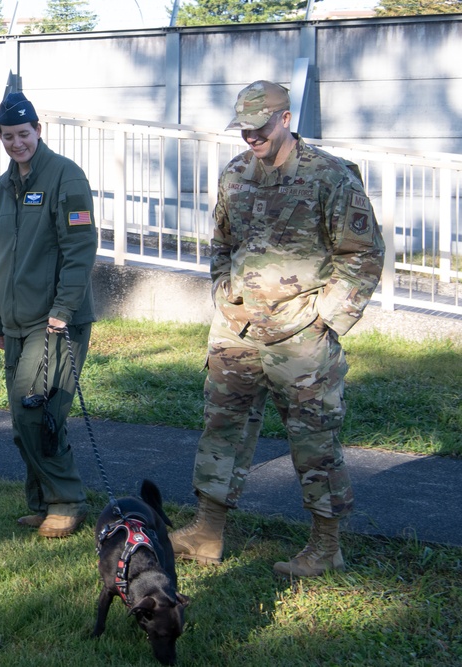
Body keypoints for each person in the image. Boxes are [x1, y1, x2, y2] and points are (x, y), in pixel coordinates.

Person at [169, 80, 385, 576]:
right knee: (221, 428)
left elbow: (363, 254)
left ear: (286, 118)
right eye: (243, 128)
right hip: (237, 330)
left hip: (301, 337)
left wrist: (325, 318)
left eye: (260, 127)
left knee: (314, 441)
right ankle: (206, 532)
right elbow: (221, 243)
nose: (251, 137)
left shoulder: (329, 176)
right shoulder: (236, 174)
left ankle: (326, 547)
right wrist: (224, 293)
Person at [0, 91, 98, 538]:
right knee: (21, 417)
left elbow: (80, 249)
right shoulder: (2, 185)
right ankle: (44, 501)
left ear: (38, 130)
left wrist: (63, 309)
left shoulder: (66, 177)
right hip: (14, 322)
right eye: (8, 136)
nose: (17, 143)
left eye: (24, 134)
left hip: (54, 320)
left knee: (39, 412)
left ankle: (67, 502)